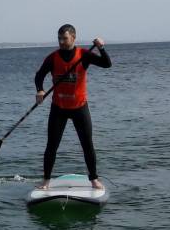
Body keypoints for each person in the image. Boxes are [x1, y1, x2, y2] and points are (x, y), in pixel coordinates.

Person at [34, 24, 112, 190]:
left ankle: (94, 179)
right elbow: (39, 75)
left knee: (87, 144)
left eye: (65, 38)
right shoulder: (52, 58)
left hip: (79, 108)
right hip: (58, 108)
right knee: (52, 146)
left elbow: (107, 64)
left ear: (73, 38)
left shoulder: (83, 54)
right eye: (59, 38)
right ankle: (46, 181)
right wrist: (40, 90)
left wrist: (101, 48)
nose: (61, 42)